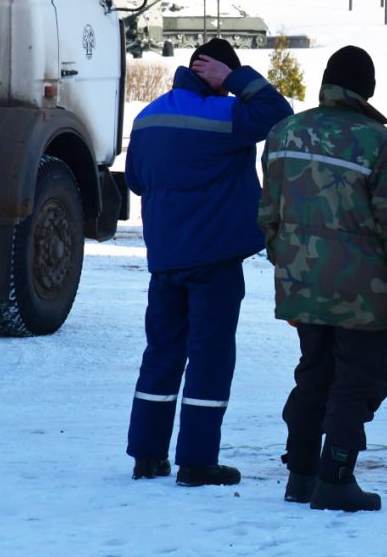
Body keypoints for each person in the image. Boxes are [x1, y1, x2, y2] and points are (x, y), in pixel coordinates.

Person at [258, 45, 387, 512]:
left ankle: (301, 475)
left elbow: (269, 216)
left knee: (314, 373)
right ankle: (336, 478)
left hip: (302, 286)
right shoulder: (379, 144)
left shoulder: (284, 133)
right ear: (367, 89)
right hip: (364, 296)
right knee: (357, 382)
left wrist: (291, 270)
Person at [125, 38, 292, 487]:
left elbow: (136, 181)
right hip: (214, 259)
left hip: (165, 260)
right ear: (220, 76)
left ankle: (147, 456)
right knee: (209, 356)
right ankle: (197, 462)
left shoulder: (147, 117)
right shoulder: (227, 114)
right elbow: (279, 116)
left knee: (161, 353)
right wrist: (238, 80)